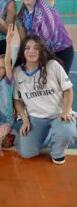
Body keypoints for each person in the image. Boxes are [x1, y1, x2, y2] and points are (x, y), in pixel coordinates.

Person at [13, 35, 76, 164]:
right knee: (25, 152)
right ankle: (48, 135)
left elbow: (68, 90)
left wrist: (65, 111)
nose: (31, 51)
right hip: (36, 119)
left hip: (59, 115)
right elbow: (17, 100)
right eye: (28, 48)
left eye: (36, 48)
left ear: (41, 50)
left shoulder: (52, 65)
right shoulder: (17, 72)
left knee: (67, 132)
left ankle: (57, 150)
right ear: (23, 52)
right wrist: (25, 120)